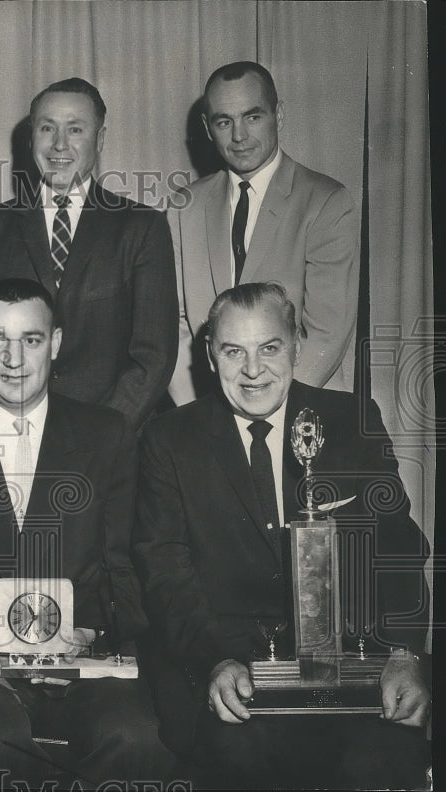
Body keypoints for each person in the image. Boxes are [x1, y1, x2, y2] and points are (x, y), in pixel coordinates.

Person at [135, 283, 430, 789]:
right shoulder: (169, 440)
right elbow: (165, 573)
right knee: (240, 764)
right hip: (229, 671)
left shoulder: (350, 421)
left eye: (269, 348)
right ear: (209, 356)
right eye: (234, 351)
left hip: (350, 668)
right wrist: (215, 661)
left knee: (381, 762)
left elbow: (399, 550)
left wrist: (403, 655)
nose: (253, 371)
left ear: (296, 343)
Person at [0, 279, 172, 787]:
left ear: (57, 343)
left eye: (32, 340)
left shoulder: (106, 435)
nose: (14, 358)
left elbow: (125, 572)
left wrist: (91, 633)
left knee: (134, 739)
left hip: (79, 658)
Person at [0, 78, 177, 429]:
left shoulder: (142, 228)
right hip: (14, 433)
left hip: (112, 439)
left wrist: (101, 436)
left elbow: (153, 357)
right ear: (31, 137)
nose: (59, 144)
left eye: (75, 129)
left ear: (101, 139)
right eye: (47, 128)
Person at [168, 61, 359, 404]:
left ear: (278, 115)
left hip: (299, 406)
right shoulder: (185, 205)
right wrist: (197, 415)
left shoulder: (326, 201)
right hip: (206, 416)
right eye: (224, 121)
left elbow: (326, 335)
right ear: (207, 128)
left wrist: (262, 411)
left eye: (252, 117)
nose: (239, 136)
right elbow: (177, 325)